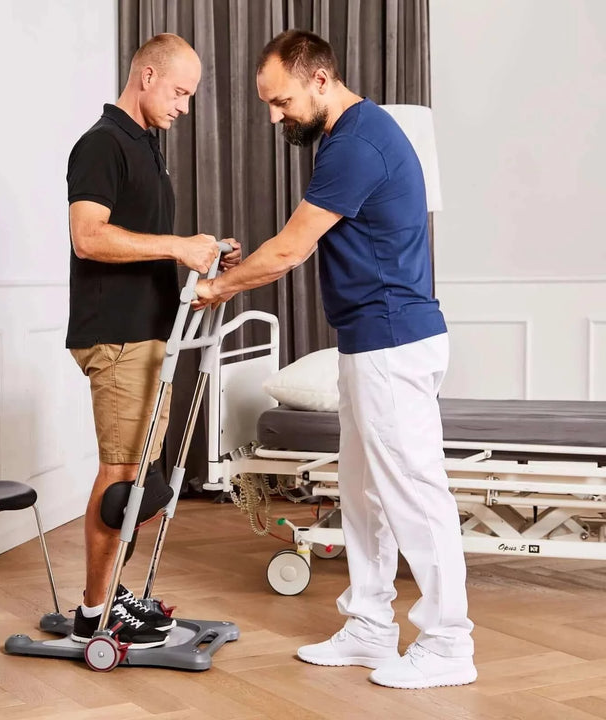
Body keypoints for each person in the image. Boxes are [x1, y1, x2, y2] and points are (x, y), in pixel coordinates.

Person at [193, 29, 476, 689]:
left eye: (280, 100)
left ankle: (447, 644)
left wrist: (220, 287)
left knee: (412, 494)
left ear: (319, 79)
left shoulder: (356, 143)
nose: (273, 116)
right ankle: (370, 626)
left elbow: (293, 248)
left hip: (391, 341)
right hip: (369, 341)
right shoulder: (345, 137)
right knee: (364, 492)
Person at [66, 32, 240, 649]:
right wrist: (176, 245)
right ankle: (93, 615)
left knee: (141, 479)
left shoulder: (146, 147)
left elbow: (139, 243)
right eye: (180, 92)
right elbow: (88, 237)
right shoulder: (101, 145)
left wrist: (202, 252)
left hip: (147, 336)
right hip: (114, 339)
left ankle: (113, 595)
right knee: (121, 478)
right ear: (145, 76)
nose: (184, 108)